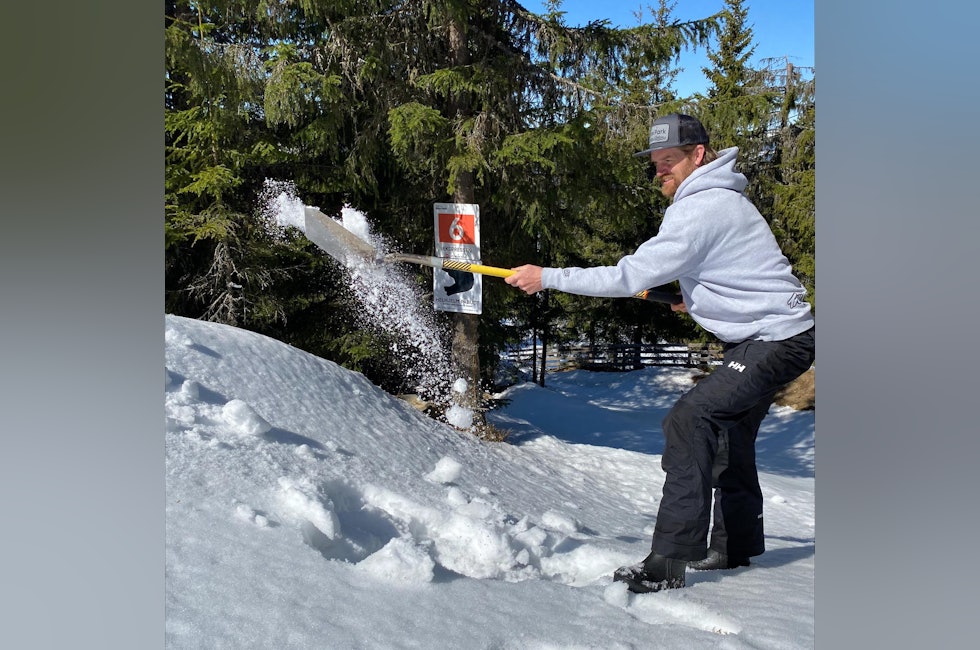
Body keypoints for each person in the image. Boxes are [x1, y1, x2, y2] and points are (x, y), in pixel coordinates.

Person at [504, 113, 815, 593]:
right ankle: (733, 546)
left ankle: (668, 561)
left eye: (668, 161)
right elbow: (730, 273)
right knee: (727, 434)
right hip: (775, 335)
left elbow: (630, 275)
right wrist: (690, 298)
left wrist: (546, 276)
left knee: (689, 421)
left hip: (773, 338)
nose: (660, 172)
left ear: (698, 155)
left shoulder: (703, 206)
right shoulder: (718, 200)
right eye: (654, 164)